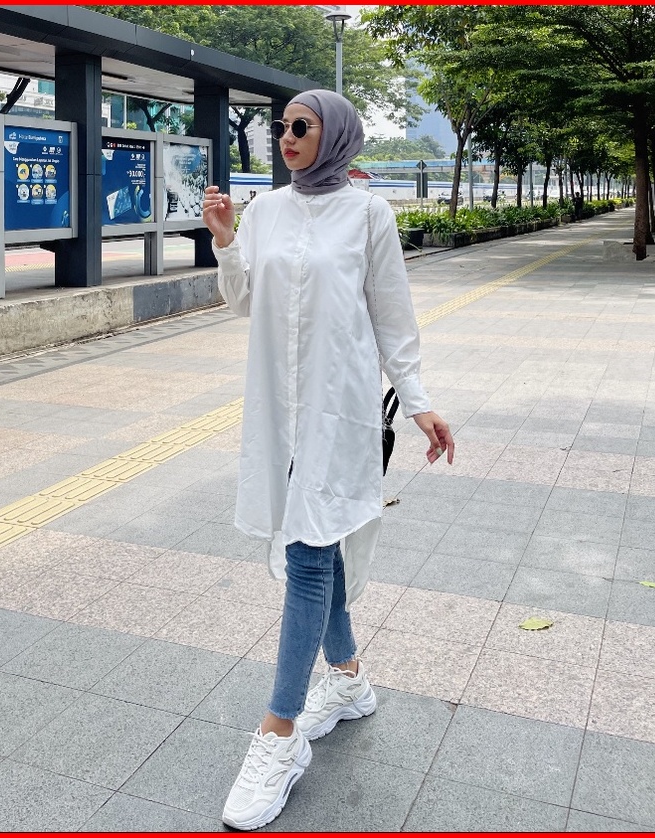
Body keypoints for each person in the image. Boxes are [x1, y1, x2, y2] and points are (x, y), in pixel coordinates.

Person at [202, 89, 454, 831]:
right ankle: (347, 680)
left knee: (310, 552)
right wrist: (225, 239)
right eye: (281, 126)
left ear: (336, 135)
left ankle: (279, 734)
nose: (286, 136)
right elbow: (241, 300)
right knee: (318, 543)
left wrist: (418, 401)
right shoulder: (265, 211)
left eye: (301, 127)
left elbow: (393, 316)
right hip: (278, 408)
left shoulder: (369, 214)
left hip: (339, 408)